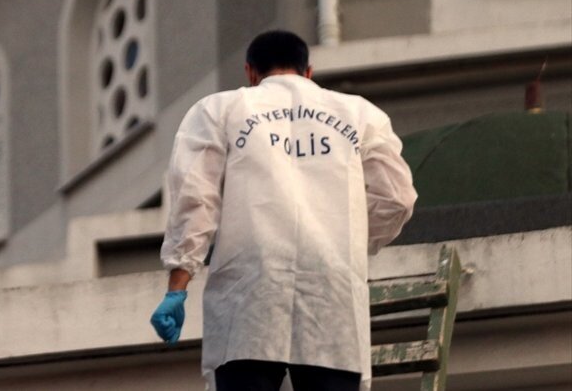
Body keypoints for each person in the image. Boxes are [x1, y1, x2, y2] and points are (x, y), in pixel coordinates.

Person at [150, 30, 416, 391]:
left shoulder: (220, 110)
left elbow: (195, 198)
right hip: (331, 290)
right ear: (309, 72)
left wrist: (178, 287)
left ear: (250, 72)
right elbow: (397, 198)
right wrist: (347, 239)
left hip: (249, 292)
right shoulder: (359, 113)